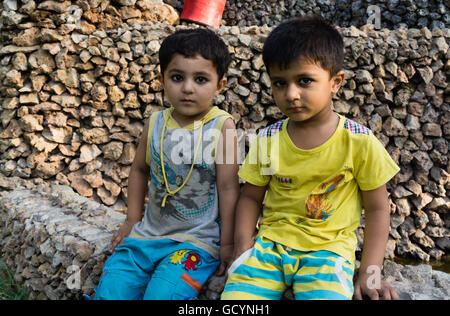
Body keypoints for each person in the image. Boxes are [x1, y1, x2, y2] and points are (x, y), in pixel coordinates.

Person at [221, 16, 400, 300]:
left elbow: (378, 209)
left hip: (328, 254)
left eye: (305, 81)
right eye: (280, 83)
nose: (291, 94)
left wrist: (370, 271)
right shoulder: (268, 140)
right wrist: (242, 249)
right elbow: (250, 198)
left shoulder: (359, 142)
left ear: (335, 82)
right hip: (269, 248)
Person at [93, 28, 240, 300]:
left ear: (220, 85)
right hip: (146, 237)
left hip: (196, 242)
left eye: (200, 79)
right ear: (162, 79)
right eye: (177, 77)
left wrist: (229, 244)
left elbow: (229, 188)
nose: (187, 88)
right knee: (110, 291)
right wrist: (131, 220)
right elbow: (139, 171)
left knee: (163, 294)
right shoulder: (155, 123)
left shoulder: (222, 128)